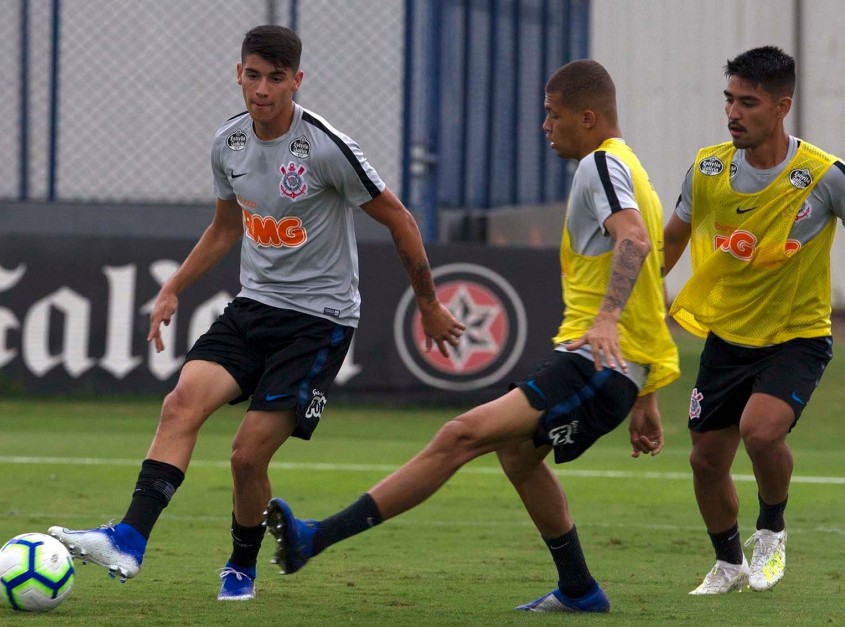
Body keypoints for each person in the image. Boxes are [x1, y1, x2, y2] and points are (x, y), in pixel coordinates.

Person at [48, 24, 464, 602]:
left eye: (275, 78)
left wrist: (428, 303)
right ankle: (128, 538)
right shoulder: (229, 143)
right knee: (180, 404)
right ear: (238, 74)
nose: (261, 89)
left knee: (246, 456)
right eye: (252, 75)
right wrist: (173, 287)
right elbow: (225, 229)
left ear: (296, 80)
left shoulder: (325, 147)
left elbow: (399, 218)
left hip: (319, 320)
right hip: (253, 307)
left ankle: (241, 566)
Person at [265, 59, 680, 614]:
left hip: (598, 361)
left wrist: (608, 325)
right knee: (517, 456)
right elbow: (654, 287)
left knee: (459, 436)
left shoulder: (600, 167)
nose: (545, 126)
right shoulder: (630, 168)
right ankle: (579, 588)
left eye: (553, 115)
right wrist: (646, 389)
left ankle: (313, 538)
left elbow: (634, 245)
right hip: (612, 363)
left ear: (587, 117)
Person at [664, 45, 844, 595]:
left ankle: (771, 532)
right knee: (705, 459)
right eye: (729, 100)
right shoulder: (709, 168)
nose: (734, 113)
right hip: (727, 336)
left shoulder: (822, 175)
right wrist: (638, 302)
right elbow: (671, 240)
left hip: (797, 336)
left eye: (749, 102)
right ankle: (728, 564)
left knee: (760, 432)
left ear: (782, 106)